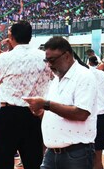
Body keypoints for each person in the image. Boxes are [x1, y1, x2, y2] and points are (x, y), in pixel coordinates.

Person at [0, 21, 52, 169]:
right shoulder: (44, 57)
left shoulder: (5, 57)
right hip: (35, 113)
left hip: (9, 113)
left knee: (3, 161)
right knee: (33, 160)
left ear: (11, 36)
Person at [24, 36, 98, 169]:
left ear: (67, 56)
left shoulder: (84, 76)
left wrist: (46, 104)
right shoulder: (56, 80)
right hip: (52, 153)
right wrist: (41, 111)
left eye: (52, 60)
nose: (49, 65)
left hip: (76, 154)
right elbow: (55, 111)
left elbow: (81, 114)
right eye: (47, 60)